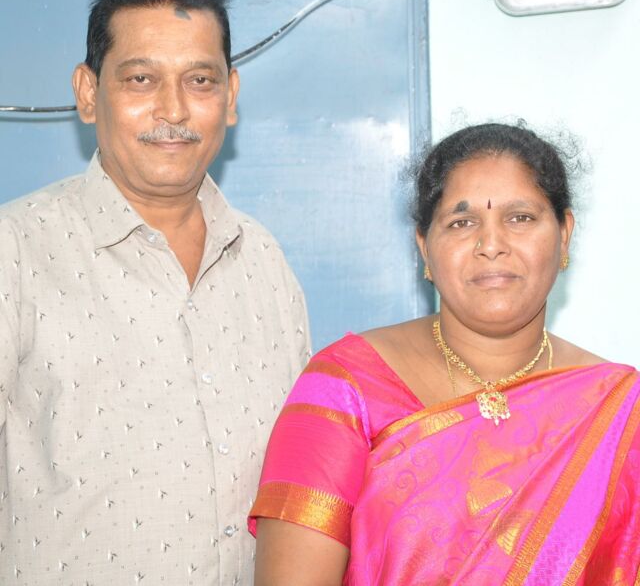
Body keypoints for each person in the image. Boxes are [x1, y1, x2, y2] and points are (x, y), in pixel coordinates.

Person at [0, 0, 310, 585]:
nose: (174, 109)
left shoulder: (264, 261)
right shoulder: (17, 252)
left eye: (200, 80)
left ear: (230, 97)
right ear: (88, 92)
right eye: (141, 79)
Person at [250, 123, 640, 585]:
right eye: (461, 223)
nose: (491, 245)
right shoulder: (346, 386)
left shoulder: (621, 411)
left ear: (564, 233)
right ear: (424, 248)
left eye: (520, 218)